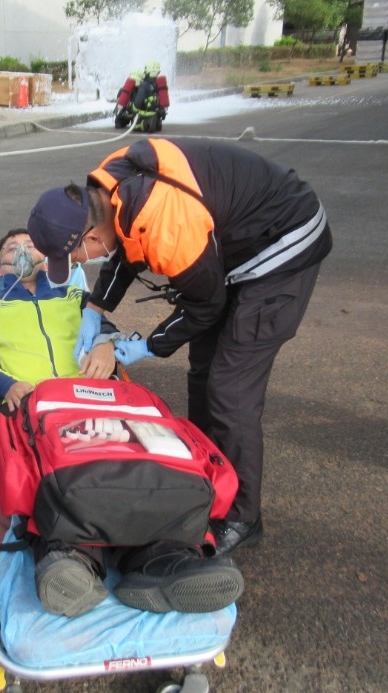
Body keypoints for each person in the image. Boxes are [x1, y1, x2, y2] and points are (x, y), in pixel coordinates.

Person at [27, 138, 332, 557]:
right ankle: (206, 478)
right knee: (204, 368)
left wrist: (146, 345)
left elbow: (205, 306)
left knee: (231, 388)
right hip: (233, 237)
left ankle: (242, 517)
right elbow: (126, 250)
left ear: (91, 236)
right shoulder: (105, 189)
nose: (80, 266)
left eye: (78, 258)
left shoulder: (163, 219)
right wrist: (95, 308)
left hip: (283, 240)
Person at [0, 228, 245, 617]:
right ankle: (72, 558)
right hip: (37, 405)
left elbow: (104, 330)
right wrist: (7, 385)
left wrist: (106, 346)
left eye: (32, 245)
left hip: (97, 396)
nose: (24, 251)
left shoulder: (75, 296)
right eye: (13, 248)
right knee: (63, 469)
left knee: (141, 458)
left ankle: (166, 558)